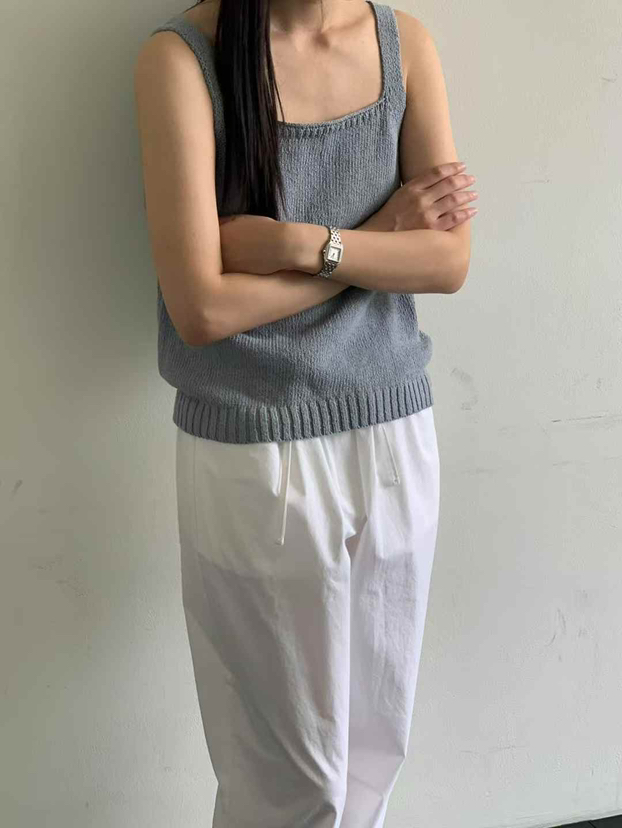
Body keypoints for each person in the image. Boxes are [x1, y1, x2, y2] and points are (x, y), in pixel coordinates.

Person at [134, 0, 477, 824]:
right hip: (255, 451)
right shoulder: (182, 60)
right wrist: (375, 242)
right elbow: (202, 310)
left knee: (375, 754)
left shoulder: (402, 44)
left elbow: (447, 260)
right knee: (288, 780)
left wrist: (302, 245)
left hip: (395, 433)